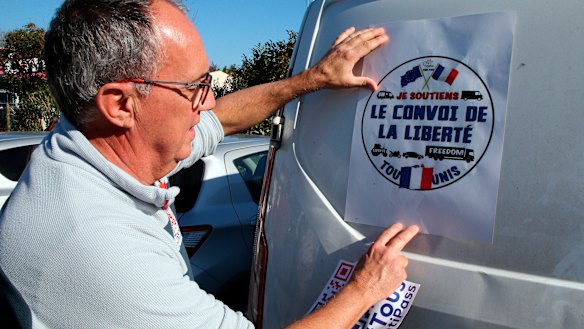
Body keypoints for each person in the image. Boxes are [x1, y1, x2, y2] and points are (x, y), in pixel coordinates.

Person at [0, 0, 420, 328]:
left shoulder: (99, 145)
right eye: (195, 87)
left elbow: (222, 119)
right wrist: (366, 288)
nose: (209, 101)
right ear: (121, 104)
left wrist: (313, 79)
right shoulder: (96, 243)